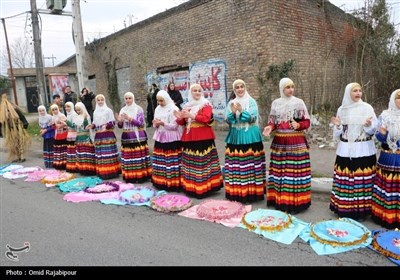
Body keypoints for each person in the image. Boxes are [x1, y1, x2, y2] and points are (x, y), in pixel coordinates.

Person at [262, 77, 311, 213]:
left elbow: (307, 122)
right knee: (280, 172)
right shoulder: (276, 103)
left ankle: (296, 203)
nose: (291, 90)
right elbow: (273, 121)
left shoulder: (299, 103)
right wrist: (269, 128)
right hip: (280, 142)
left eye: (292, 87)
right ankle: (280, 200)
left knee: (294, 172)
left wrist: (299, 125)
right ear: (282, 89)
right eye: (287, 87)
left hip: (296, 142)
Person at [329, 82, 377, 220]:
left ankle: (362, 211)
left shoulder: (367, 108)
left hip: (363, 149)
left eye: (359, 90)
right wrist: (337, 126)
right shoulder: (342, 109)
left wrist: (369, 125)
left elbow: (374, 129)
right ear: (348, 93)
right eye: (354, 91)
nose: (358, 93)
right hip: (346, 150)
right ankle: (344, 209)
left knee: (362, 181)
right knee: (347, 180)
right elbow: (338, 133)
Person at [174, 83, 223, 198]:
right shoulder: (187, 105)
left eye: (199, 91)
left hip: (203, 137)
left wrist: (192, 115)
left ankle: (204, 188)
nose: (197, 93)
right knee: (191, 164)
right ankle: (191, 187)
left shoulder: (206, 104)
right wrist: (179, 117)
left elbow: (206, 119)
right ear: (190, 93)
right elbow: (183, 123)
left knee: (203, 164)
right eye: (194, 91)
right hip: (189, 136)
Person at [225, 79, 266, 203]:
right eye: (237, 87)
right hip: (236, 136)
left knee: (251, 163)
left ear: (245, 87)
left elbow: (252, 119)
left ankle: (252, 192)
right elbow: (229, 121)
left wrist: (242, 111)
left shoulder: (251, 101)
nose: (240, 89)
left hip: (250, 136)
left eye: (242, 86)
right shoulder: (231, 103)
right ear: (234, 90)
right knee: (238, 165)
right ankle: (238, 192)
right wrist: (232, 113)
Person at [371, 89, 400, 229]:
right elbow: (379, 137)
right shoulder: (385, 116)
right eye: (398, 98)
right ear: (393, 100)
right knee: (388, 187)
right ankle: (385, 215)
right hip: (388, 157)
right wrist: (382, 133)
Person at [115, 92, 151, 183]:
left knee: (138, 156)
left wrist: (130, 118)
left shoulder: (138, 109)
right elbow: (120, 126)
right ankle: (130, 176)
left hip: (137, 135)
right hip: (126, 136)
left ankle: (140, 176)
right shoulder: (123, 110)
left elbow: (141, 123)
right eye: (126, 98)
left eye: (130, 98)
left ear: (133, 98)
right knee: (129, 157)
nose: (128, 100)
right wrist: (119, 121)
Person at [151, 90, 183, 191]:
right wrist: (155, 124)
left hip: (172, 138)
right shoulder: (157, 109)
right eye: (158, 101)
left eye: (162, 100)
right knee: (161, 161)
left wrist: (163, 123)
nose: (160, 103)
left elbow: (175, 126)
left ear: (166, 98)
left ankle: (173, 183)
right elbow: (155, 122)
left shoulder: (173, 108)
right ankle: (161, 181)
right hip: (160, 136)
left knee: (171, 161)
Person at [90, 94, 121, 179]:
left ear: (104, 100)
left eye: (101, 100)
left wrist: (107, 125)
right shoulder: (95, 112)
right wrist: (92, 126)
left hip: (107, 135)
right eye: (98, 100)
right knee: (101, 154)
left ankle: (111, 171)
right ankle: (103, 171)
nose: (100, 102)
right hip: (99, 135)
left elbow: (113, 123)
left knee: (108, 154)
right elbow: (95, 123)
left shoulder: (108, 110)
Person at [0, 93, 30, 163]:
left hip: (18, 128)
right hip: (10, 130)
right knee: (13, 144)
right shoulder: (2, 112)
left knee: (20, 142)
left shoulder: (15, 109)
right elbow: (1, 122)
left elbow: (22, 118)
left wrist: (25, 125)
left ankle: (22, 156)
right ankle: (17, 156)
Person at [68, 102, 96, 175]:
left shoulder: (87, 116)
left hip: (85, 138)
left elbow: (86, 128)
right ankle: (82, 169)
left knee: (86, 154)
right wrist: (65, 121)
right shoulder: (77, 117)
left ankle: (88, 170)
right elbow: (73, 125)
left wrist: (85, 119)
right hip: (79, 138)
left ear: (82, 109)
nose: (78, 112)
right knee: (81, 154)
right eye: (76, 110)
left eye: (79, 110)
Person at [50, 104, 68, 170]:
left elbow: (66, 125)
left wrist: (61, 125)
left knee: (64, 149)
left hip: (63, 134)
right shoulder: (53, 117)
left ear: (58, 109)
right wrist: (54, 126)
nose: (55, 111)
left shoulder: (62, 115)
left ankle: (64, 164)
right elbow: (53, 126)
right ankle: (59, 164)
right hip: (57, 135)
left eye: (56, 109)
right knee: (58, 150)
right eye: (53, 110)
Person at [63, 102, 78, 173]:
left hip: (74, 134)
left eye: (68, 107)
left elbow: (74, 125)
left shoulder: (74, 114)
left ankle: (75, 166)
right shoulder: (68, 114)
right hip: (69, 134)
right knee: (70, 150)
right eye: (66, 107)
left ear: (72, 107)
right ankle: (71, 165)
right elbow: (69, 125)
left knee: (74, 150)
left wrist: (66, 121)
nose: (67, 108)